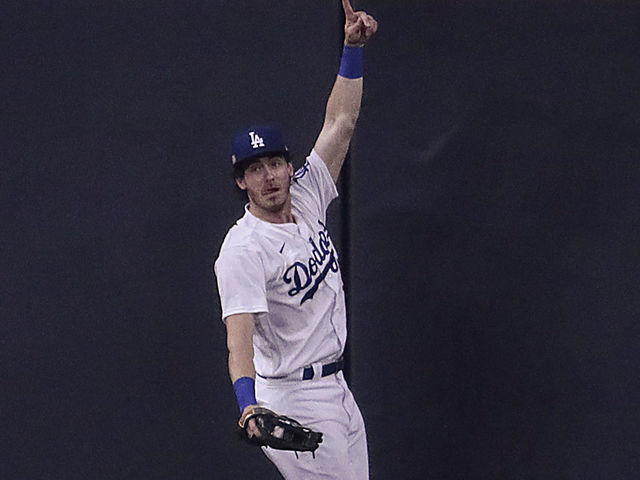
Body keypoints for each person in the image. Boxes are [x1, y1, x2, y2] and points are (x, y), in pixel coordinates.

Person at [214, 1, 377, 478]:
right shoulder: (242, 249)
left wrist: (352, 50)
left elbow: (340, 123)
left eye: (274, 164)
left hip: (337, 387)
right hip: (292, 396)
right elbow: (238, 342)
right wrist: (249, 406)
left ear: (289, 166)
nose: (268, 177)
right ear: (241, 182)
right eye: (253, 170)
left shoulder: (305, 196)